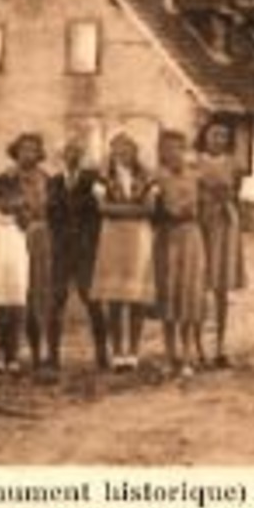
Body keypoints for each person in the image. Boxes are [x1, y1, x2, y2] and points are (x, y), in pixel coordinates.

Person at [90, 132, 157, 372]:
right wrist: (132, 208)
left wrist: (119, 210)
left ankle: (134, 352)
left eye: (127, 147)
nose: (123, 152)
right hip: (112, 238)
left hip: (139, 237)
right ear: (112, 150)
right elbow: (101, 208)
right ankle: (118, 352)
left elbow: (150, 208)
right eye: (118, 148)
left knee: (137, 297)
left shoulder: (146, 174)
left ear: (134, 150)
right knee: (116, 298)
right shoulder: (103, 176)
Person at [49, 135, 109, 373]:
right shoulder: (53, 182)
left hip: (85, 250)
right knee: (56, 301)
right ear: (62, 156)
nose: (72, 156)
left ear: (82, 156)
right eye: (68, 151)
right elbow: (50, 214)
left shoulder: (92, 180)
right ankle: (52, 358)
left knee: (93, 301)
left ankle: (102, 355)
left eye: (77, 151)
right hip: (61, 250)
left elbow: (102, 208)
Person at [0, 132, 55, 377]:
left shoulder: (47, 178)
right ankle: (8, 354)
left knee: (37, 295)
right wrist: (19, 210)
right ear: (15, 151)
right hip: (13, 238)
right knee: (12, 295)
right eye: (23, 149)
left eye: (33, 149)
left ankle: (37, 353)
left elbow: (52, 209)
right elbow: (1, 205)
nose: (28, 154)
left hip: (41, 240)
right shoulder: (6, 178)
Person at [153, 130, 206, 378]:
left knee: (188, 292)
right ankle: (169, 354)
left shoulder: (196, 177)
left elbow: (205, 208)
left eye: (177, 148)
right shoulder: (157, 178)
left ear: (184, 150)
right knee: (168, 293)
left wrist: (191, 213)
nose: (172, 153)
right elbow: (153, 210)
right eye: (167, 149)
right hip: (165, 237)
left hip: (190, 237)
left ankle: (186, 355)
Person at [196, 120, 247, 368]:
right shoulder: (195, 161)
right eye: (215, 135)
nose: (219, 140)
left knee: (221, 287)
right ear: (205, 137)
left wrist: (229, 209)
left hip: (225, 223)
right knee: (199, 285)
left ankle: (220, 346)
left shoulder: (234, 163)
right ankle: (197, 346)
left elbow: (236, 193)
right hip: (201, 222)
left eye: (224, 136)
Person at [0, 175, 31, 375]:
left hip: (17, 266)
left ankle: (13, 355)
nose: (8, 200)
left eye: (13, 195)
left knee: (16, 309)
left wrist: (19, 209)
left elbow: (26, 222)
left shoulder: (22, 220)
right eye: (2, 195)